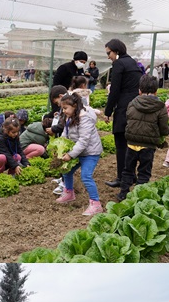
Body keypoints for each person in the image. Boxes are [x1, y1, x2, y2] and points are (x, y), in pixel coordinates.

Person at [118, 74, 169, 200]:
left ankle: (123, 194)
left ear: (139, 90)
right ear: (156, 91)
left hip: (131, 143)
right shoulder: (160, 107)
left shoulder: (132, 103)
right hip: (148, 145)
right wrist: (162, 136)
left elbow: (129, 119)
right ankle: (139, 197)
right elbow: (163, 128)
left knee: (128, 170)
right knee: (144, 172)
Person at [56, 92, 104, 215]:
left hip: (90, 152)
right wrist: (61, 147)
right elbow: (65, 134)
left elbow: (83, 141)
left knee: (86, 176)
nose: (64, 111)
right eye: (63, 108)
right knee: (66, 171)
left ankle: (96, 203)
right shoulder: (69, 117)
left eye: (65, 108)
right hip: (78, 151)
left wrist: (70, 155)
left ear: (75, 106)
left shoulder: (85, 118)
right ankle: (69, 193)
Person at [103, 39, 143, 187]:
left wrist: (108, 111)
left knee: (121, 145)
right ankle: (131, 175)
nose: (108, 57)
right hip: (135, 106)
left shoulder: (119, 64)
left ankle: (122, 178)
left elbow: (115, 90)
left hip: (123, 108)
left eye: (109, 53)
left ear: (116, 51)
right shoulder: (133, 63)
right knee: (131, 144)